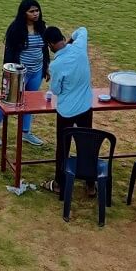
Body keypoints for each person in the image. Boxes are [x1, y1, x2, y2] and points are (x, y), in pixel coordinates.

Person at [0, 0, 49, 147]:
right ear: (24, 13)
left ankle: (25, 132)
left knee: (29, 102)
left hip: (36, 71)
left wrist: (46, 67)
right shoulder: (16, 29)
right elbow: (9, 53)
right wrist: (10, 74)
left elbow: (44, 49)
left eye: (37, 10)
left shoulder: (42, 27)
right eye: (31, 11)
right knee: (8, 101)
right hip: (19, 74)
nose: (35, 14)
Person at [45, 25, 93, 197]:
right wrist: (71, 40)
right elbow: (82, 30)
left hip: (66, 112)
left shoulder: (56, 65)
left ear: (49, 45)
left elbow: (56, 90)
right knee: (86, 145)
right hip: (86, 107)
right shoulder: (80, 47)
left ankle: (59, 182)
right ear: (63, 37)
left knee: (63, 147)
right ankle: (90, 184)